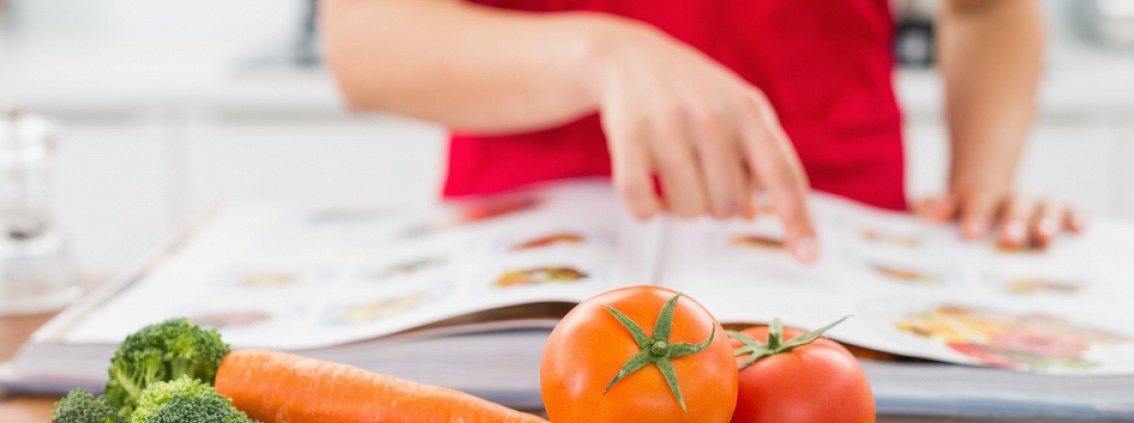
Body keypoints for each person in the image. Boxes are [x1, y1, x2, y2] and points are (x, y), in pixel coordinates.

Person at [317, 0, 1082, 263]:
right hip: (525, 269)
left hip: (832, 257)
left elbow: (987, 8)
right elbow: (362, 37)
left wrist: (980, 182)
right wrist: (599, 52)